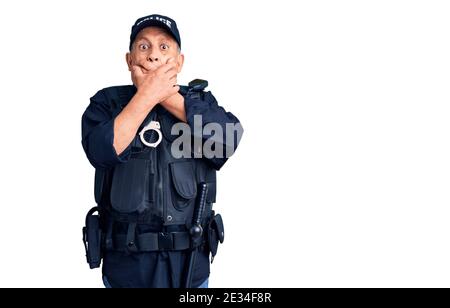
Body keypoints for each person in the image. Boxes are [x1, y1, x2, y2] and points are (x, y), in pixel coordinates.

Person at [81, 14, 243, 288]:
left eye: (164, 47)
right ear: (129, 59)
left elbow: (226, 142)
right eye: (144, 47)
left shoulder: (201, 102)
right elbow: (100, 152)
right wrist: (145, 96)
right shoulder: (106, 103)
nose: (153, 56)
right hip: (127, 270)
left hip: (188, 268)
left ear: (179, 62)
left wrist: (165, 94)